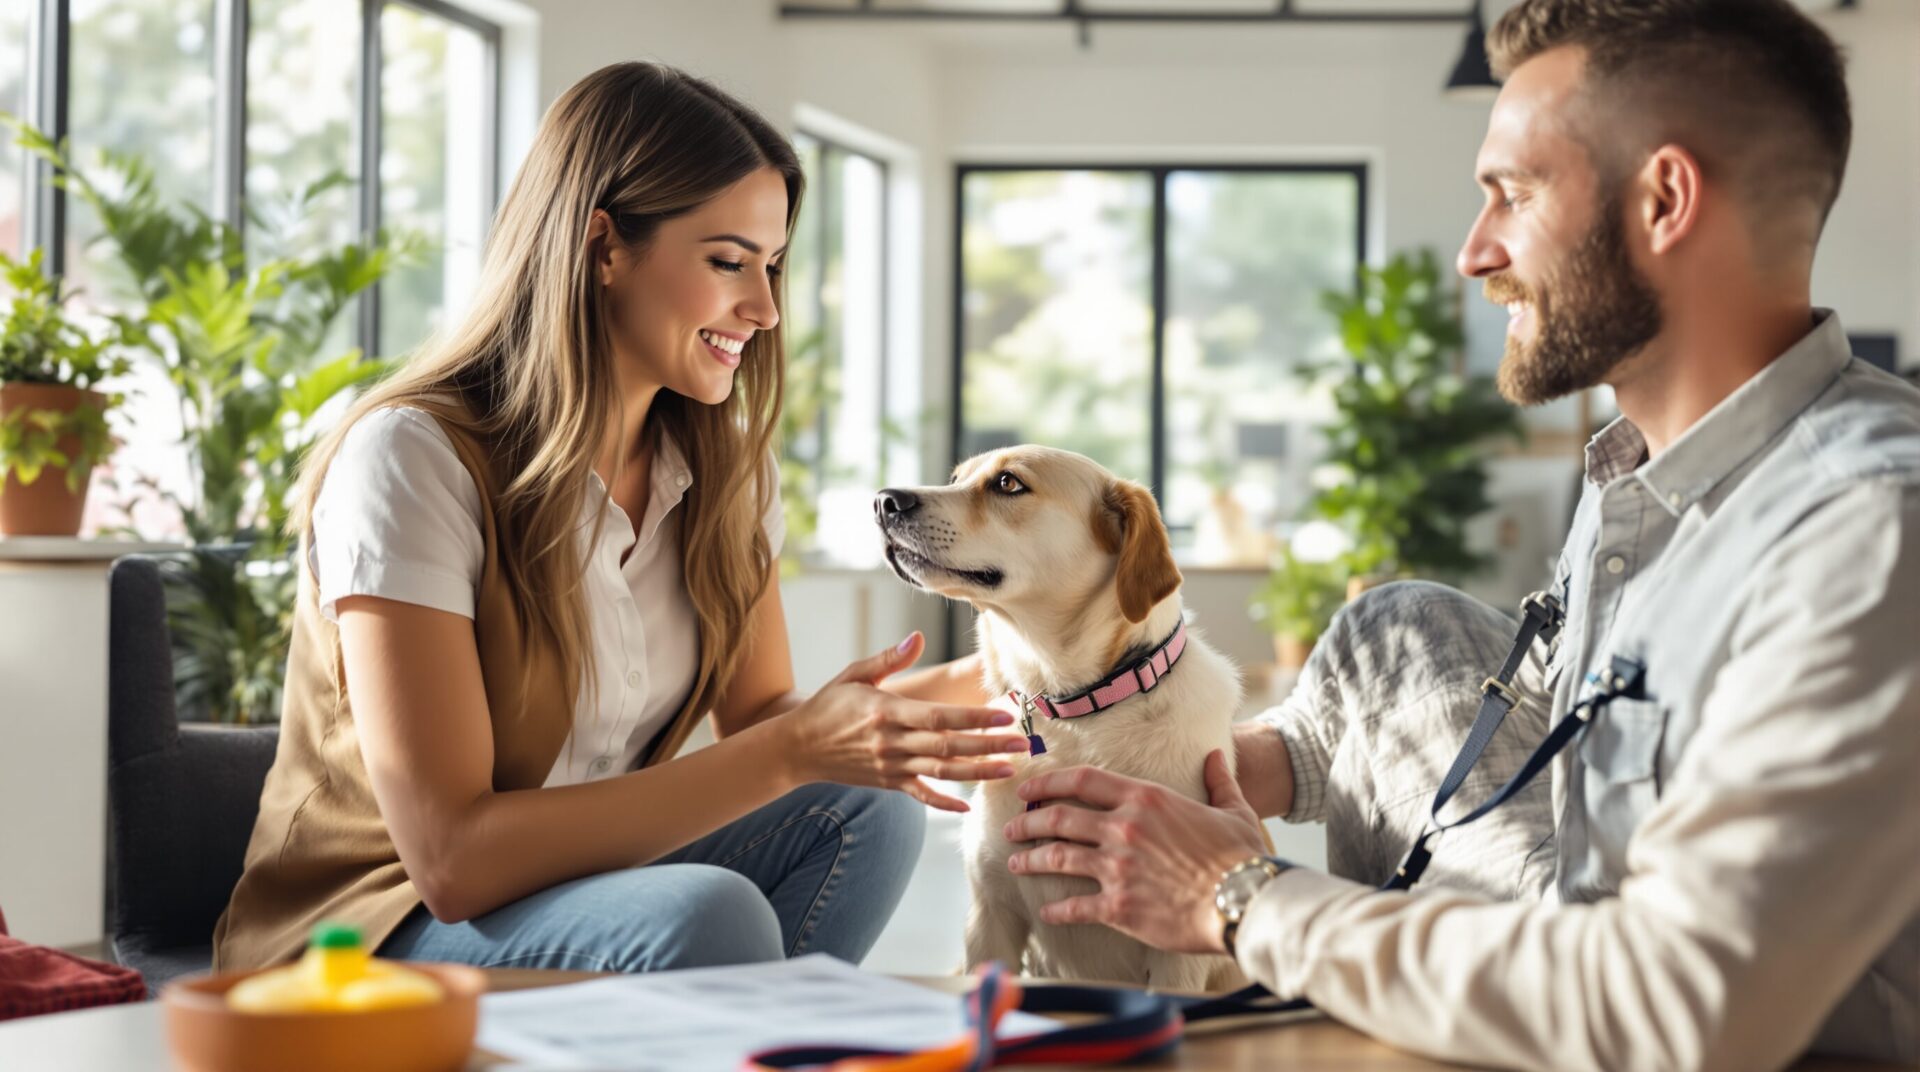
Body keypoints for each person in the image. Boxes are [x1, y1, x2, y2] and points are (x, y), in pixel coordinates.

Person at [996, 2, 1920, 1069]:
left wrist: (1241, 895)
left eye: (1513, 196)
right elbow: (1546, 718)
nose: (1473, 253)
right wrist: (1207, 769)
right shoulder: (1648, 480)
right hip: (1563, 921)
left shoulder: (1866, 530)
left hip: (1662, 1023)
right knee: (1398, 622)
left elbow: (1675, 1010)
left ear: (1664, 200)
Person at [212, 62, 1031, 974]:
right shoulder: (414, 460)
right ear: (603, 246)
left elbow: (772, 722)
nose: (762, 310)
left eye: (771, 267)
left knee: (866, 812)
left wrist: (1006, 675)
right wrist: (796, 750)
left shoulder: (724, 475)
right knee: (706, 913)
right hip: (372, 926)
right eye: (727, 262)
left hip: (588, 883)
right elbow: (450, 858)